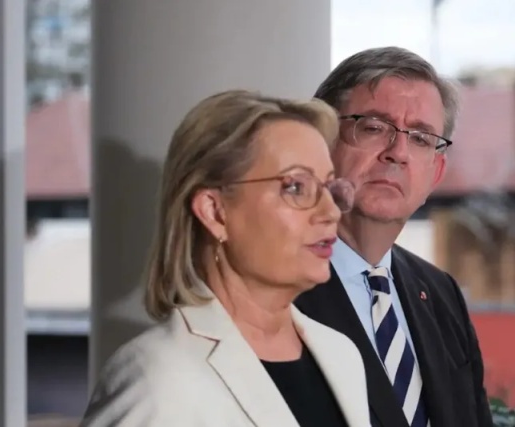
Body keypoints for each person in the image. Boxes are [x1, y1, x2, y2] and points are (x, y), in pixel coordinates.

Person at [80, 90, 371, 427]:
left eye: (329, 188)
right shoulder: (159, 378)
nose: (330, 211)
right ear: (214, 211)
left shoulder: (342, 354)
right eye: (295, 187)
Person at [295, 47, 494, 427]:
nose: (398, 152)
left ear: (436, 172)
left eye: (420, 138)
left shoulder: (441, 294)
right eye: (374, 127)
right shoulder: (273, 287)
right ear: (321, 142)